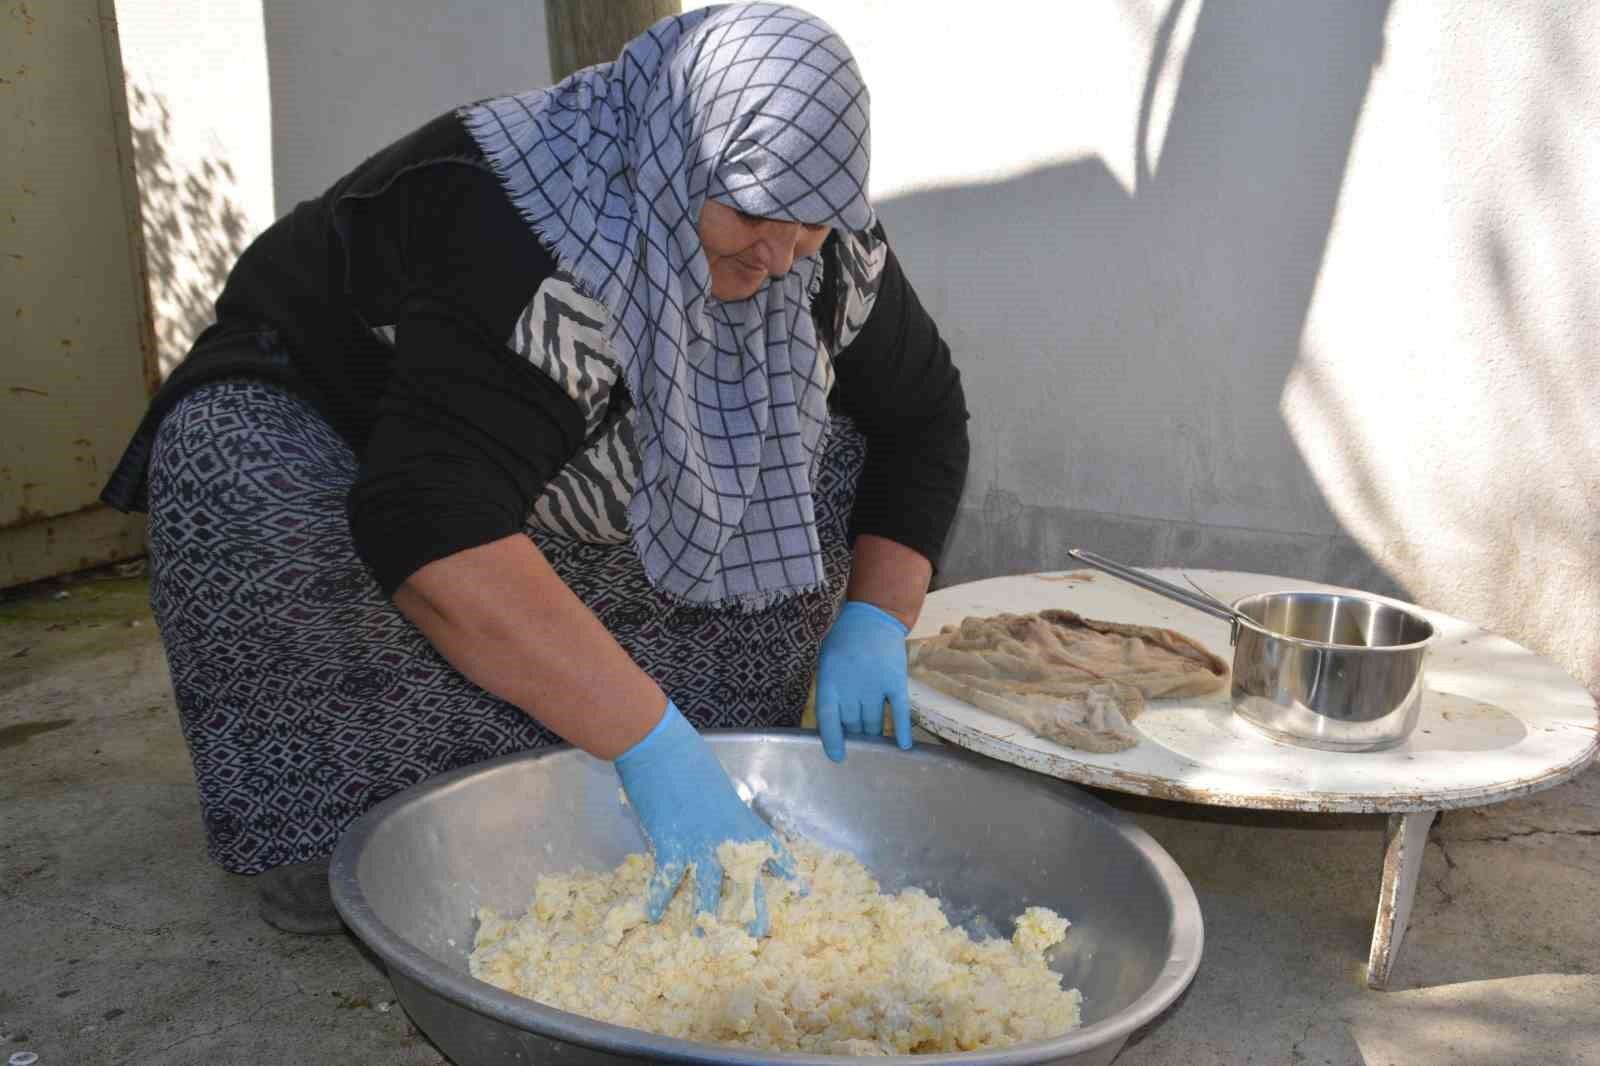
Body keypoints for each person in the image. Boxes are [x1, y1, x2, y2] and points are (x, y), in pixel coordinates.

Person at [102, 2, 969, 935]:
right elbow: (427, 515)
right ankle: (353, 825)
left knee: (820, 459)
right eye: (753, 207)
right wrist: (647, 742)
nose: (775, 254)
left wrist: (877, 616)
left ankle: (706, 759)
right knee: (244, 478)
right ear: (677, 153)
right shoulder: (534, 233)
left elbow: (922, 416)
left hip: (526, 442)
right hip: (336, 410)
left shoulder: (827, 250)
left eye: (807, 227)